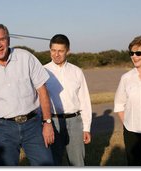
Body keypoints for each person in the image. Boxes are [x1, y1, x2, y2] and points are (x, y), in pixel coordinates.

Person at [0, 23, 54, 166]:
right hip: (3, 129)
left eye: (2, 39)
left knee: (45, 165)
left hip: (33, 125)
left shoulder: (26, 58)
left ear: (8, 40)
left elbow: (43, 91)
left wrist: (47, 123)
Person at [44, 34, 92, 166]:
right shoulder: (43, 71)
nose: (56, 54)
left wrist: (86, 128)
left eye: (60, 51)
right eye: (53, 50)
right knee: (54, 162)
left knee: (77, 162)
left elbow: (84, 100)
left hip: (75, 122)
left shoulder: (77, 71)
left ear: (68, 51)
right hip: (53, 122)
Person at [114, 35, 141, 166]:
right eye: (131, 53)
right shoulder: (126, 78)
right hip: (131, 131)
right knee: (134, 164)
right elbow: (119, 104)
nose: (134, 56)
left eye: (138, 53)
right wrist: (127, 123)